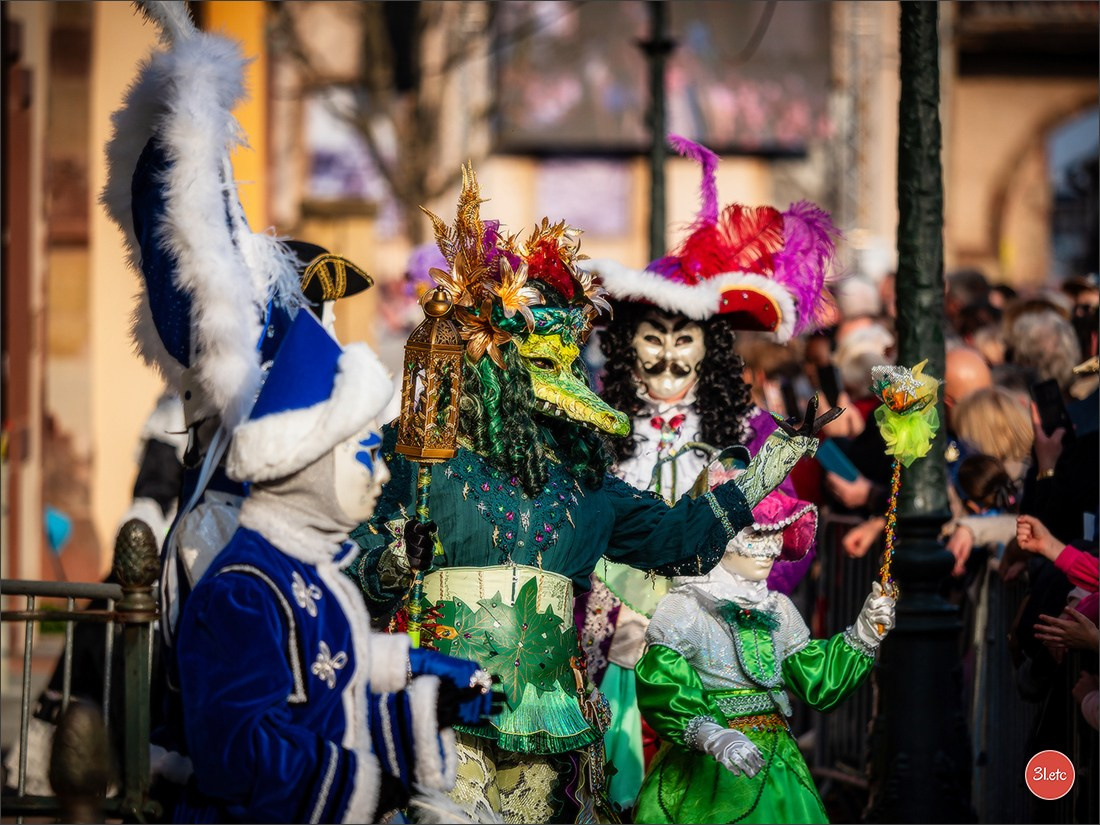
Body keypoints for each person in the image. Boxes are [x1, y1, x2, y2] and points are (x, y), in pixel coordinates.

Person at [347, 166, 831, 823]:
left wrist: (764, 472)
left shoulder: (586, 483)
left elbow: (676, 540)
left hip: (550, 727)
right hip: (443, 719)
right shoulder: (426, 459)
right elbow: (356, 566)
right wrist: (392, 561)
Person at [579, 134, 841, 811]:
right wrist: (606, 624)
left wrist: (707, 622)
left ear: (709, 347)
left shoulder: (748, 435)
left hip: (714, 670)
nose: (667, 360)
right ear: (625, 344)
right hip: (606, 663)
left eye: (684, 340)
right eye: (651, 339)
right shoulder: (593, 435)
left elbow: (779, 550)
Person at [173, 310, 494, 822]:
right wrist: (366, 784)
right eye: (367, 454)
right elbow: (234, 759)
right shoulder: (242, 593)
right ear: (311, 463)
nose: (384, 473)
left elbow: (328, 701)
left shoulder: (308, 572)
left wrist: (423, 709)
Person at [632, 489, 896, 824]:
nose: (770, 547)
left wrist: (864, 632)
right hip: (709, 769)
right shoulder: (686, 606)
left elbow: (816, 680)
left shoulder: (779, 609)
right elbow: (663, 683)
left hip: (777, 766)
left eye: (776, 532)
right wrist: (713, 735)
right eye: (756, 534)